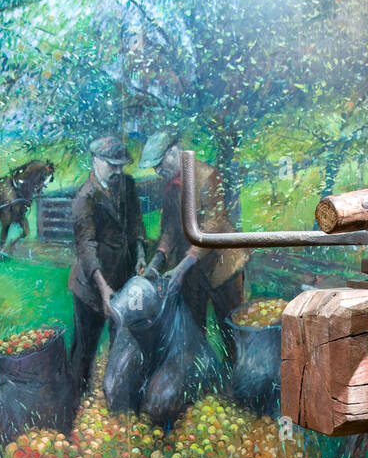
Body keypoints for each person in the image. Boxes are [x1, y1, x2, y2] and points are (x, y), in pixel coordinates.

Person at [139, 130, 248, 368]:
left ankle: (238, 382)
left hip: (221, 266)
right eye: (154, 168)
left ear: (174, 151)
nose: (158, 172)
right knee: (194, 329)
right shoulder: (168, 187)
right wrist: (157, 260)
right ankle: (200, 379)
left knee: (231, 329)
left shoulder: (208, 176)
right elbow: (169, 229)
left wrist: (182, 266)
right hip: (191, 271)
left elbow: (212, 226)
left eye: (159, 164)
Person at [68, 136, 146, 394]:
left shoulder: (127, 185)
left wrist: (141, 254)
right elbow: (86, 247)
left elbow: (136, 224)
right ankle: (74, 402)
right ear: (96, 161)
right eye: (112, 165)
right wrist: (103, 289)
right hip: (92, 286)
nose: (118, 171)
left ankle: (117, 397)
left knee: (121, 340)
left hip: (123, 278)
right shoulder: (85, 197)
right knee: (85, 350)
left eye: (121, 165)